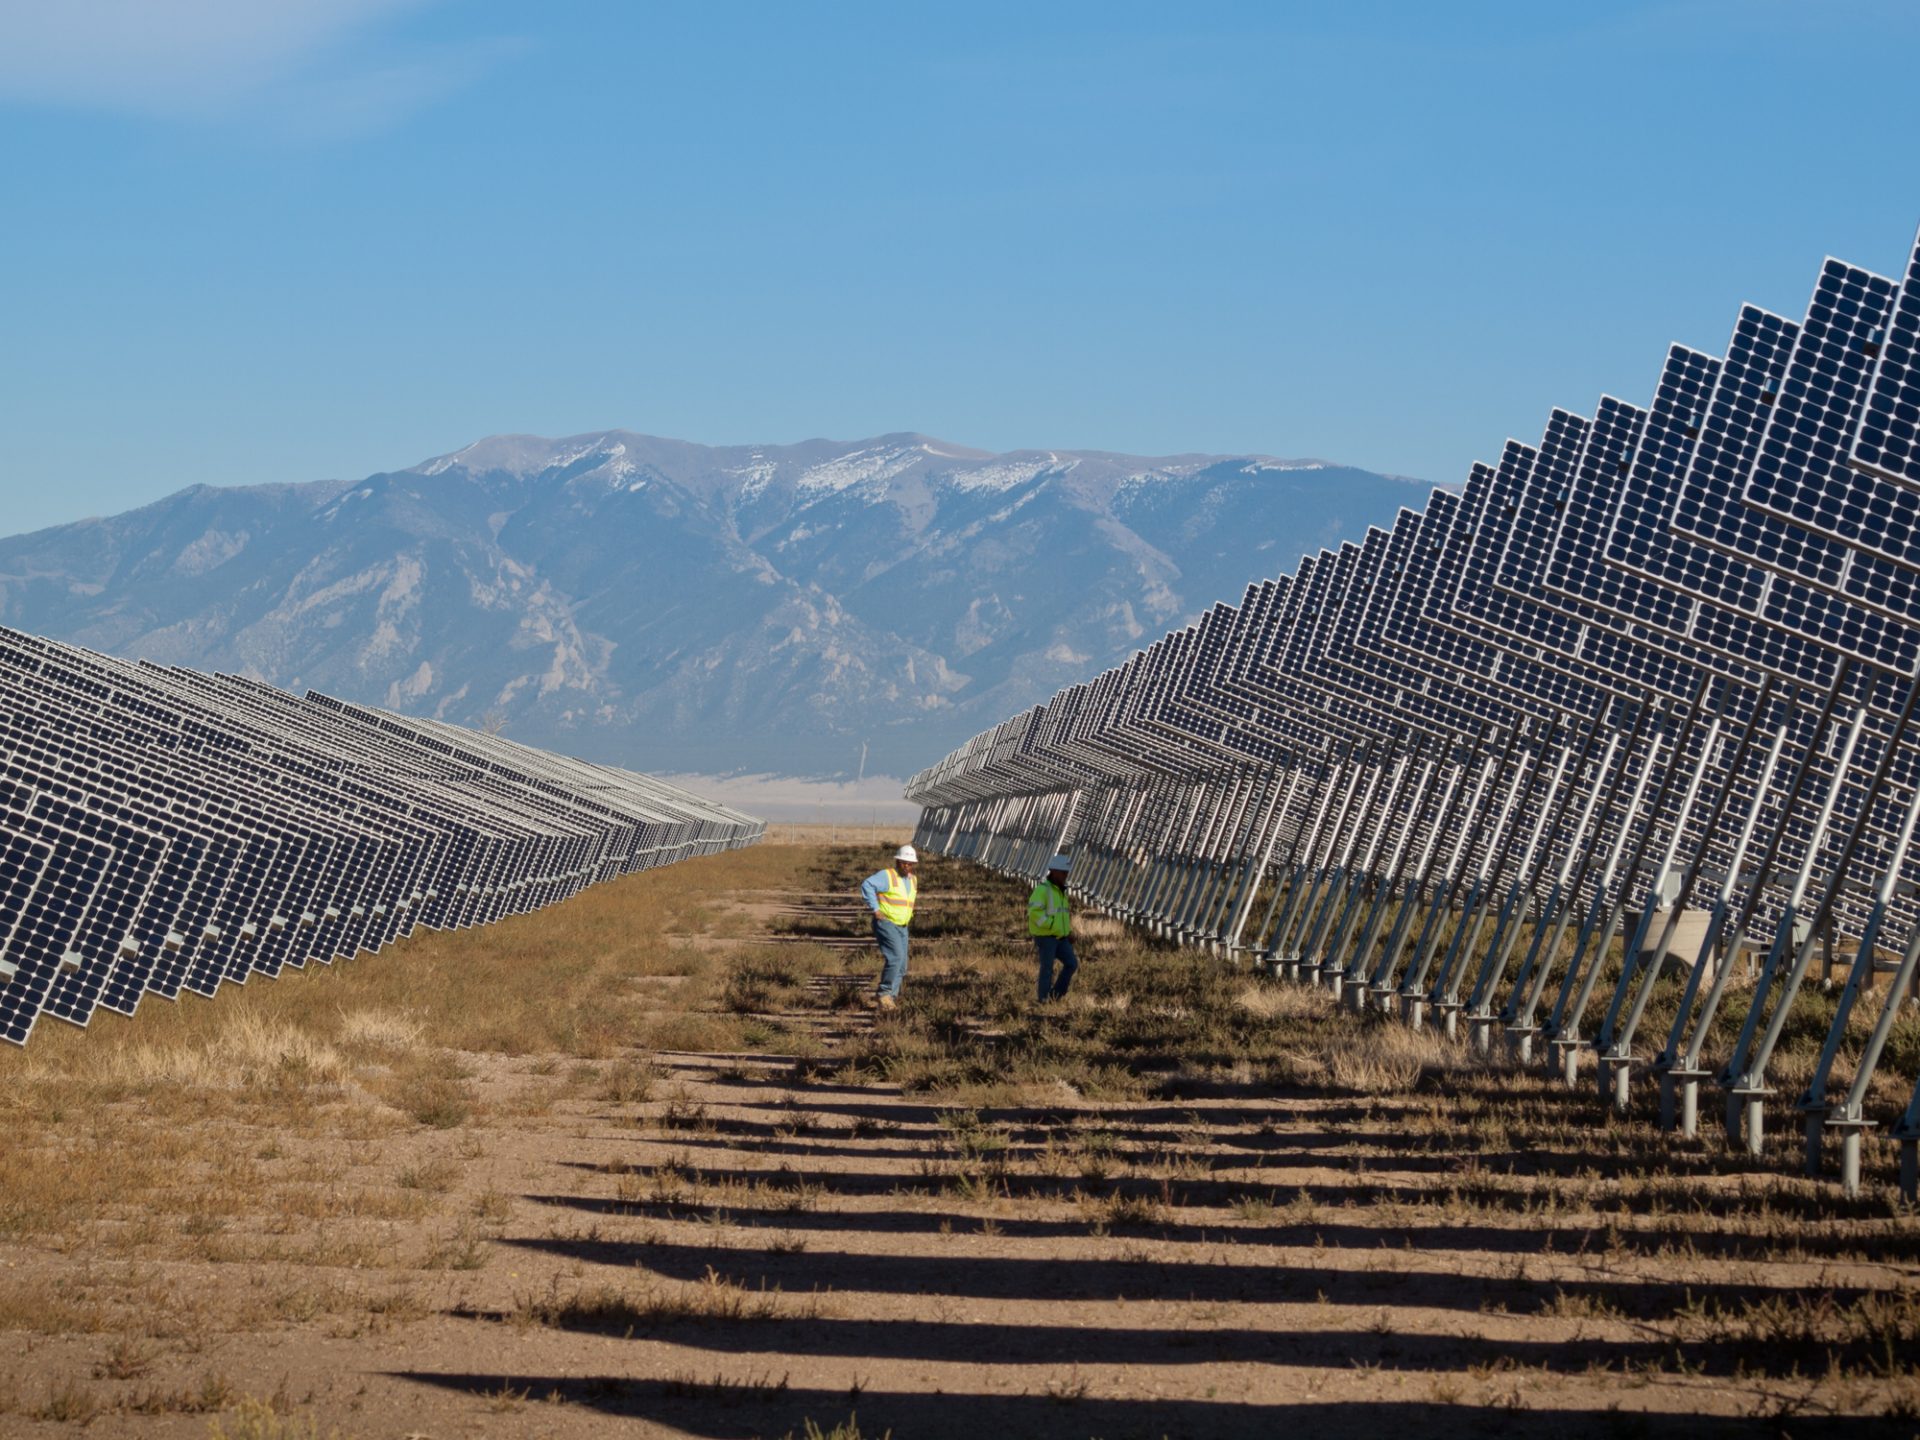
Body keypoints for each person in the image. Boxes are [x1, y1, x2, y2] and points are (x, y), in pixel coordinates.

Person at [859, 845, 919, 1010]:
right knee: (896, 958)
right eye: (904, 862)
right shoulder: (887, 876)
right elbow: (867, 885)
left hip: (902, 926)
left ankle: (889, 999)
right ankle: (884, 994)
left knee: (902, 966)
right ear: (898, 861)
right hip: (887, 923)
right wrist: (875, 909)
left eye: (910, 863)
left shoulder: (913, 879)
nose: (907, 866)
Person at [1029, 853, 1078, 1002]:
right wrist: (1051, 927)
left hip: (1061, 937)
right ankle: (1043, 999)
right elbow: (1034, 913)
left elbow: (1060, 916)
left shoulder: (1061, 891)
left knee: (1072, 964)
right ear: (1055, 871)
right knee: (1047, 969)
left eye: (1067, 873)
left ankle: (1055, 995)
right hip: (1046, 937)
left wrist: (1067, 932)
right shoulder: (1043, 890)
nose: (1065, 876)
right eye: (1063, 873)